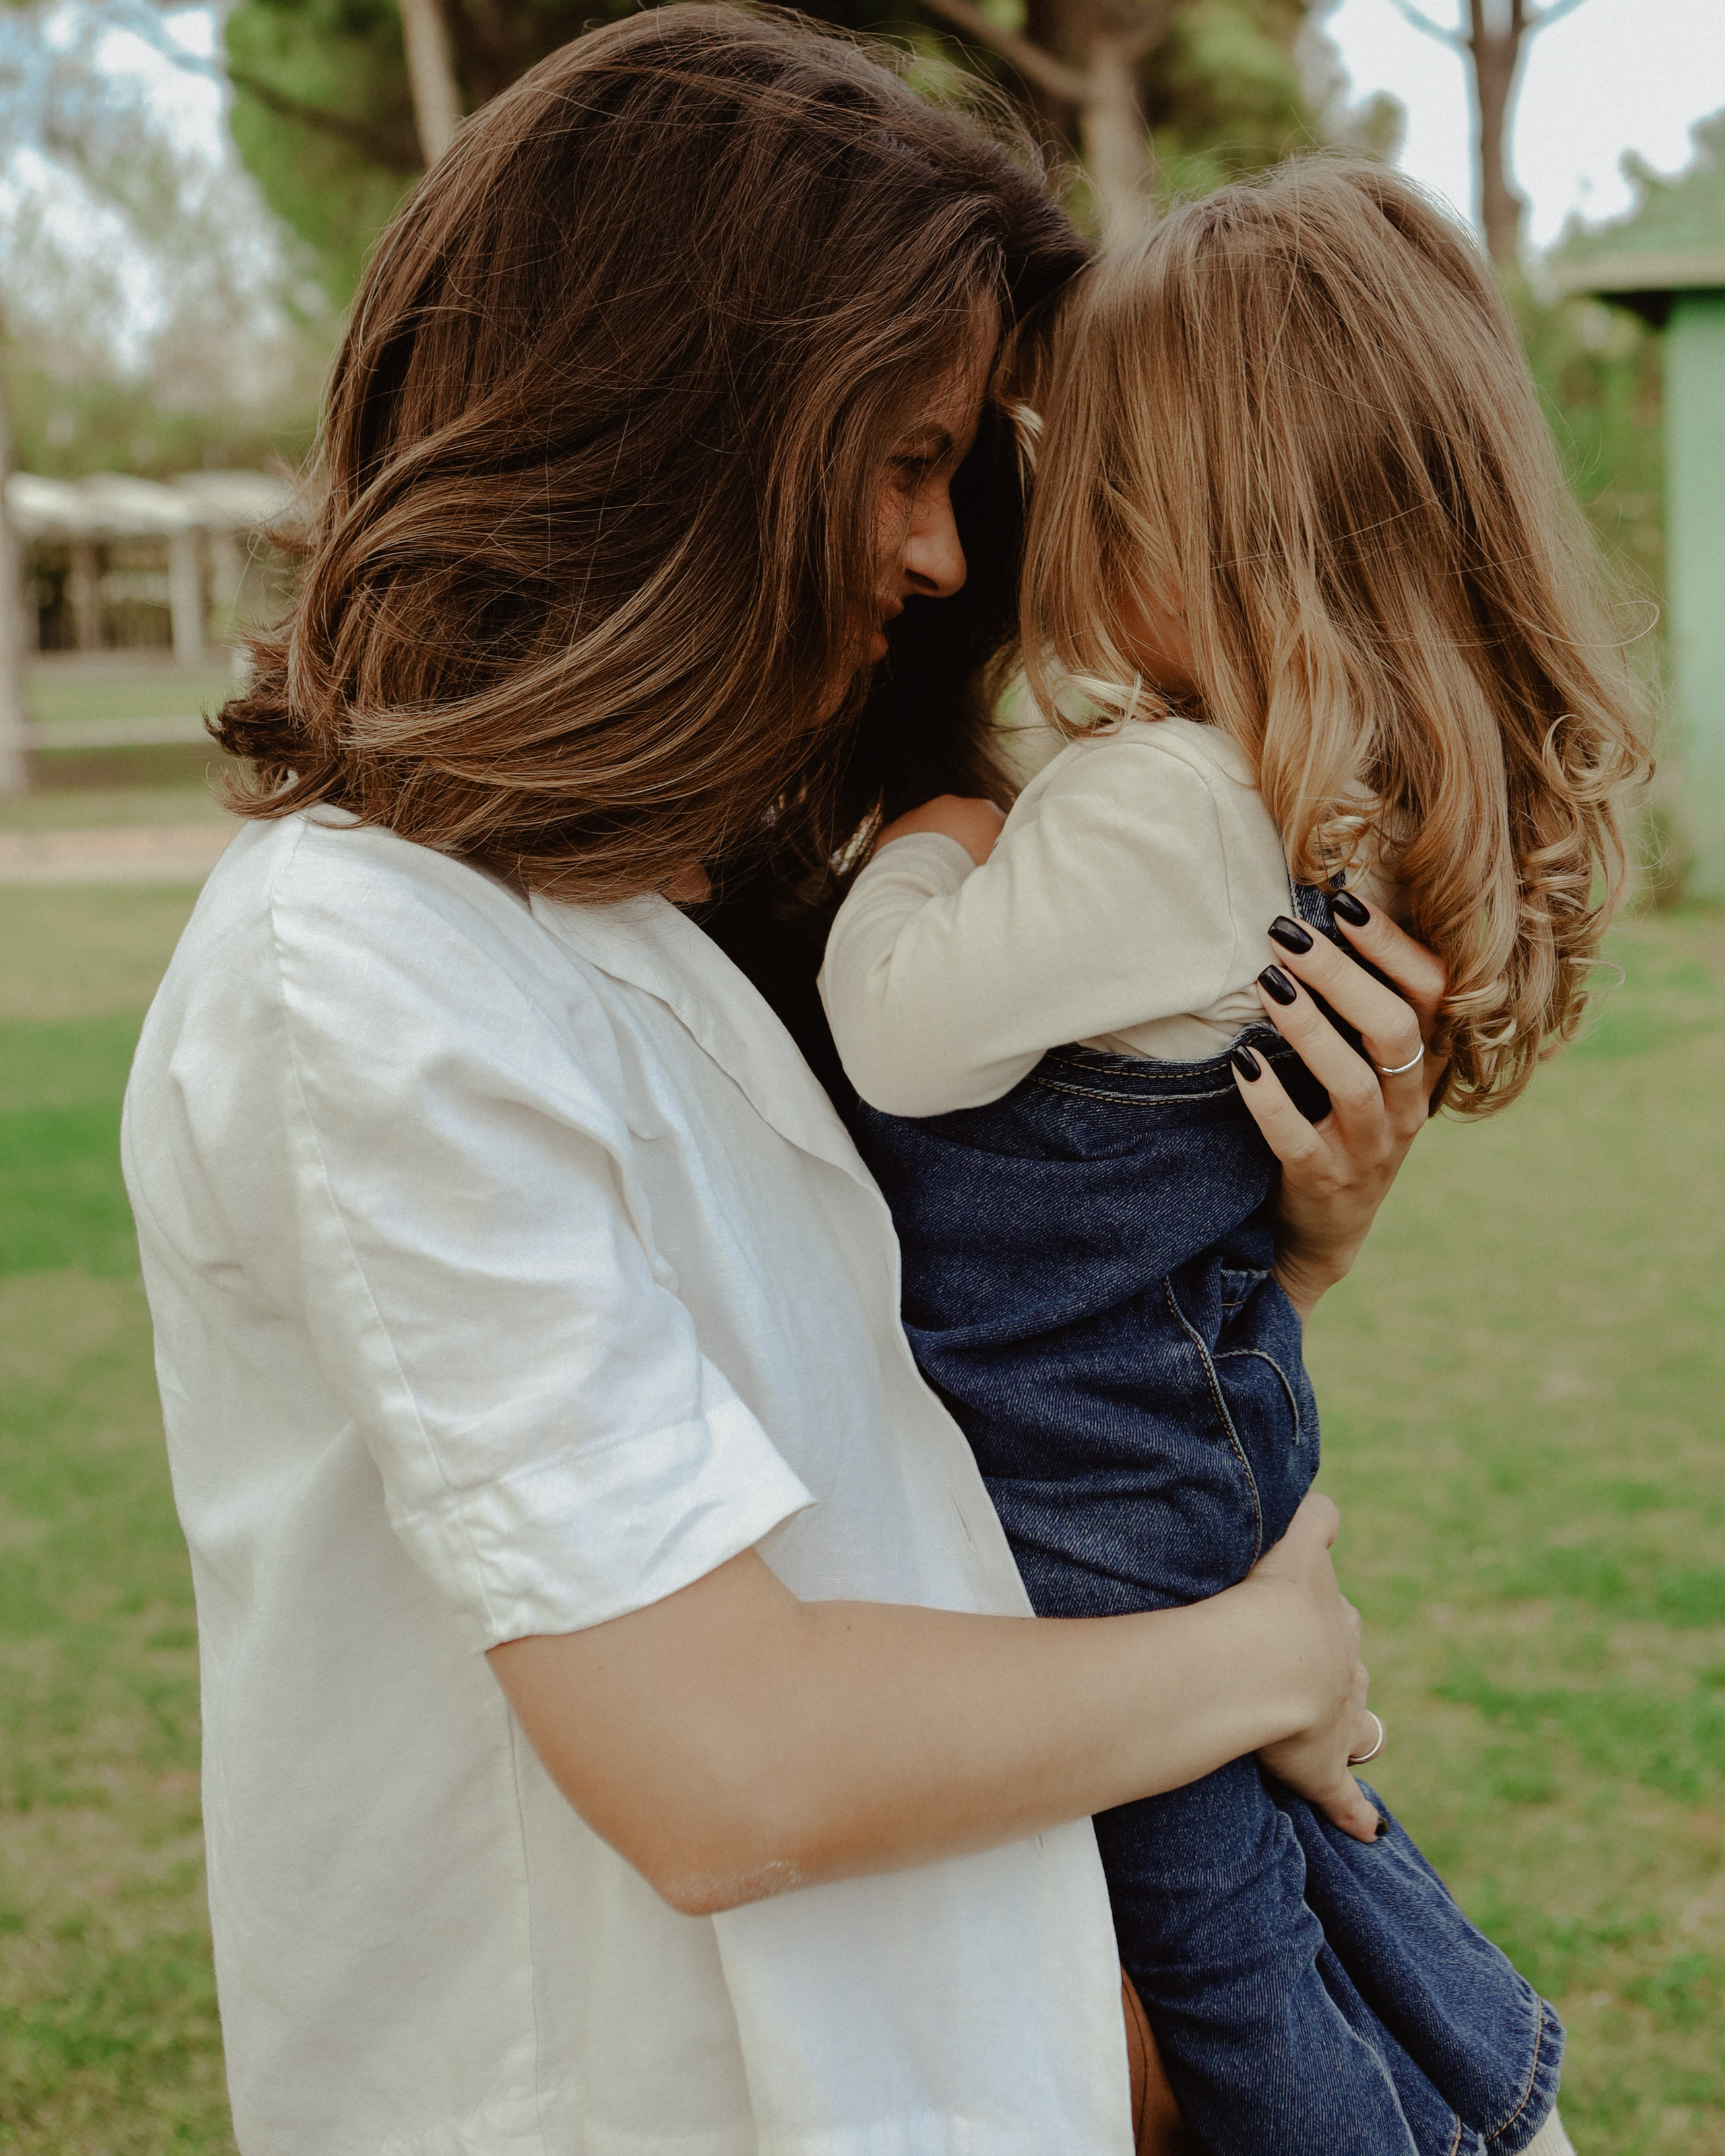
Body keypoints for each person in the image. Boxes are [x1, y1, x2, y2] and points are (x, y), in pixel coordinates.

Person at [123, 18, 1447, 2153]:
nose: (947, 561)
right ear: (670, 428)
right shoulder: (360, 976)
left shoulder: (678, 920)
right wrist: (1265, 1657)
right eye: (906, 462)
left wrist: (1285, 1249)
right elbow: (724, 1764)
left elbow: (917, 1442)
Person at [821, 161, 1653, 2156]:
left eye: (1068, 472)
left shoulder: (1165, 807)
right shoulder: (1293, 800)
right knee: (1279, 1863)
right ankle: (1482, 2098)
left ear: (1173, 514)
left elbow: (898, 1027)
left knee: (1212, 1942)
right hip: (1179, 1432)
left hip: (1090, 1490)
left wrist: (932, 831)